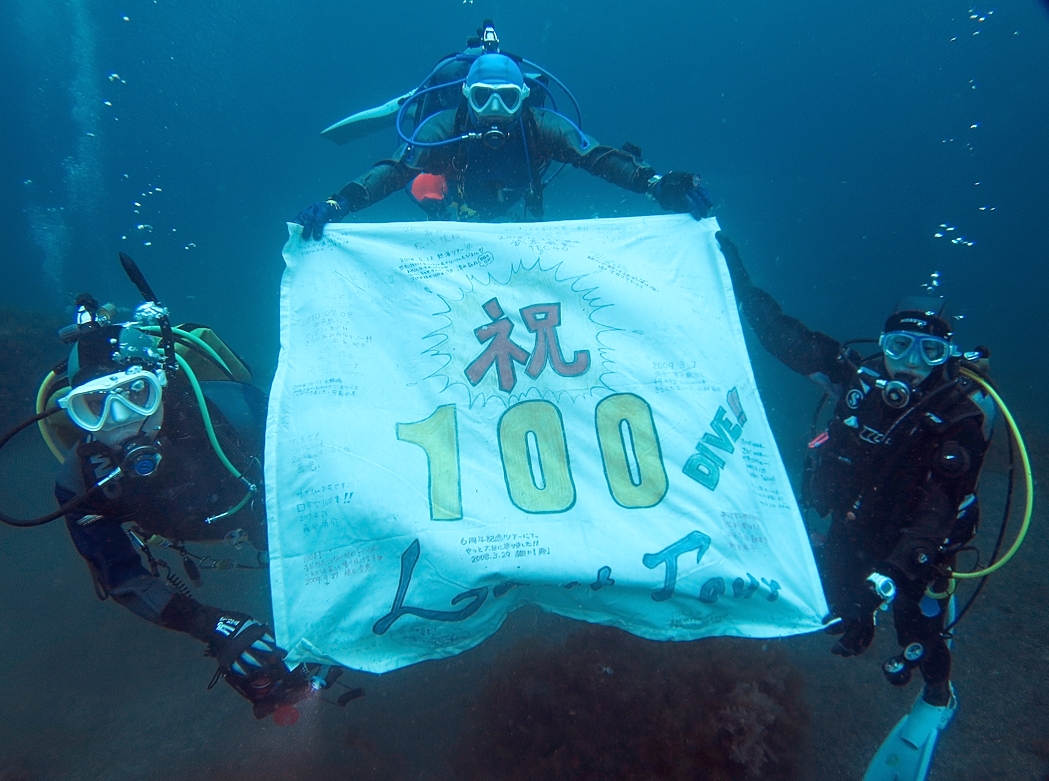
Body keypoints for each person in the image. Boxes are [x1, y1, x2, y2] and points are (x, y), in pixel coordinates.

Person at [0, 257, 353, 720]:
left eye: (137, 394)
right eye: (94, 407)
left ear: (162, 386)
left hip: (258, 510)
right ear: (75, 415)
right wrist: (211, 626)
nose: (123, 424)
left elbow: (324, 477)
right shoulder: (80, 482)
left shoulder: (241, 413)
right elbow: (123, 576)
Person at [715, 233, 995, 717]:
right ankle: (862, 621)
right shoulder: (856, 379)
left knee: (917, 627)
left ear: (946, 357)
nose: (909, 363)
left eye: (928, 352)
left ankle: (938, 693)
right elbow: (781, 334)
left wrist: (885, 581)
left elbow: (935, 517)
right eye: (899, 345)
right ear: (883, 343)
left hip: (918, 543)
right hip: (856, 520)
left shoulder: (958, 420)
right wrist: (734, 276)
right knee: (837, 608)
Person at [295, 50, 713, 235]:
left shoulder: (544, 128)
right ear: (466, 96)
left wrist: (655, 184)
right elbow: (393, 170)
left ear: (524, 98)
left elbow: (598, 158)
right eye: (482, 97)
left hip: (513, 200)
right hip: (450, 191)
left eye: (508, 98)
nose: (494, 109)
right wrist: (340, 203)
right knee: (420, 188)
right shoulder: (443, 130)